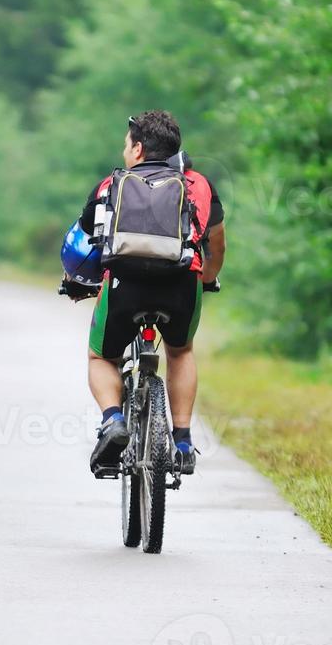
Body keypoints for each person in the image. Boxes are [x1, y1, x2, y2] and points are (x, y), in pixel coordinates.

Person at [74, 111, 224, 475]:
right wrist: (207, 278)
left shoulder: (111, 185)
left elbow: (82, 244)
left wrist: (76, 280)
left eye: (127, 145)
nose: (125, 151)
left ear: (138, 148)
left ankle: (113, 421)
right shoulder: (197, 185)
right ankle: (184, 442)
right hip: (181, 285)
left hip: (126, 286)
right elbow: (215, 246)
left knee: (100, 357)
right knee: (180, 349)